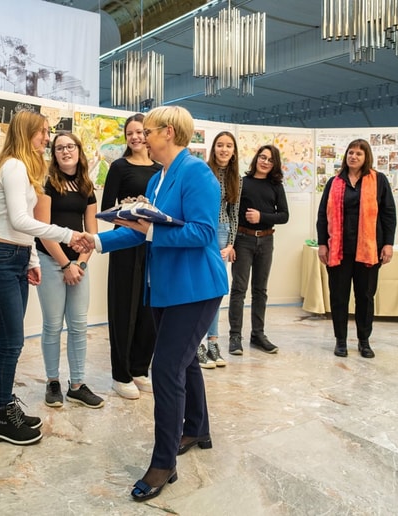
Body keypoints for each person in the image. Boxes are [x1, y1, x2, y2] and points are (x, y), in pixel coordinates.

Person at [77, 106, 228, 502]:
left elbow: (202, 233)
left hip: (196, 287)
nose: (142, 137)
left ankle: (164, 463)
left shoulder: (196, 173)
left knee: (165, 368)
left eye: (148, 131)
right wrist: (96, 240)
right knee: (184, 361)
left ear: (169, 132)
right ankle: (197, 428)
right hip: (167, 287)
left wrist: (149, 232)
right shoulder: (160, 177)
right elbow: (142, 231)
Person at [0, 110, 85, 446]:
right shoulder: (13, 166)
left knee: (12, 340)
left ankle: (6, 405)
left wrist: (30, 260)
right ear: (27, 133)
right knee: (11, 342)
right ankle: (1, 416)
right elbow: (19, 220)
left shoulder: (23, 168)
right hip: (0, 255)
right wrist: (67, 234)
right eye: (42, 132)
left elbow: (22, 223)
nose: (47, 139)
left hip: (15, 256)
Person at [35, 132, 103, 409]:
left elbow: (92, 232)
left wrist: (80, 264)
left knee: (78, 325)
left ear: (78, 150)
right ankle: (53, 382)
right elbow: (43, 231)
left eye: (70, 146)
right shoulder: (47, 184)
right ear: (54, 154)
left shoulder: (87, 186)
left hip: (78, 266)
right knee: (52, 325)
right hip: (51, 261)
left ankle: (77, 385)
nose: (65, 151)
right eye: (59, 148)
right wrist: (65, 264)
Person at [316, 139, 396, 358]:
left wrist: (388, 243)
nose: (353, 157)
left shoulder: (378, 180)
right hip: (338, 250)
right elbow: (322, 215)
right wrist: (322, 243)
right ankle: (340, 341)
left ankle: (364, 341)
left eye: (359, 154)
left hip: (369, 250)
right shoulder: (334, 182)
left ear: (366, 157)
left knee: (365, 297)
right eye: (351, 153)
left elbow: (388, 214)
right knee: (339, 297)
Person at [100, 113, 161, 400]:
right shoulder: (119, 167)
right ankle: (120, 375)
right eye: (130, 133)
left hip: (153, 243)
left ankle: (139, 369)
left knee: (149, 307)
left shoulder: (161, 169)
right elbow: (107, 209)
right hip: (125, 242)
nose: (135, 137)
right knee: (124, 307)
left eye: (140, 132)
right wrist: (132, 212)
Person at [228, 145, 289, 355]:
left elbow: (284, 215)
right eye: (263, 157)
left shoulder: (276, 186)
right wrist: (231, 243)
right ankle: (235, 336)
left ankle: (258, 335)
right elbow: (232, 213)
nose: (265, 162)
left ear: (275, 164)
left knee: (260, 290)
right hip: (243, 240)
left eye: (270, 160)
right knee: (239, 289)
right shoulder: (242, 182)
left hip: (266, 240)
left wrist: (261, 217)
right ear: (256, 158)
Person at [197, 131, 241, 369]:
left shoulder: (236, 178)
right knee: (200, 288)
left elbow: (234, 214)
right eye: (220, 145)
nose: (224, 149)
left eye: (229, 146)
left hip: (222, 232)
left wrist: (231, 243)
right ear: (213, 148)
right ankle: (196, 344)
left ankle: (213, 342)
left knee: (215, 290)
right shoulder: (203, 172)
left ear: (234, 152)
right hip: (201, 230)